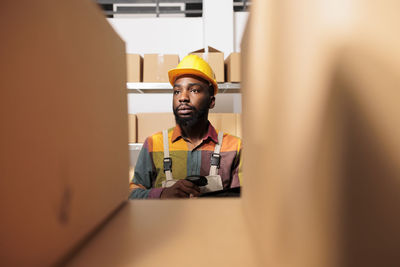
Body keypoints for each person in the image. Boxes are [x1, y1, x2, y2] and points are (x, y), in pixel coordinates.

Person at [129, 54, 242, 199]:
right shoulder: (153, 144)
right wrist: (163, 194)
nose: (183, 97)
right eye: (177, 91)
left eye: (194, 90)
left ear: (211, 101)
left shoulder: (234, 147)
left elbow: (244, 202)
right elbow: (132, 195)